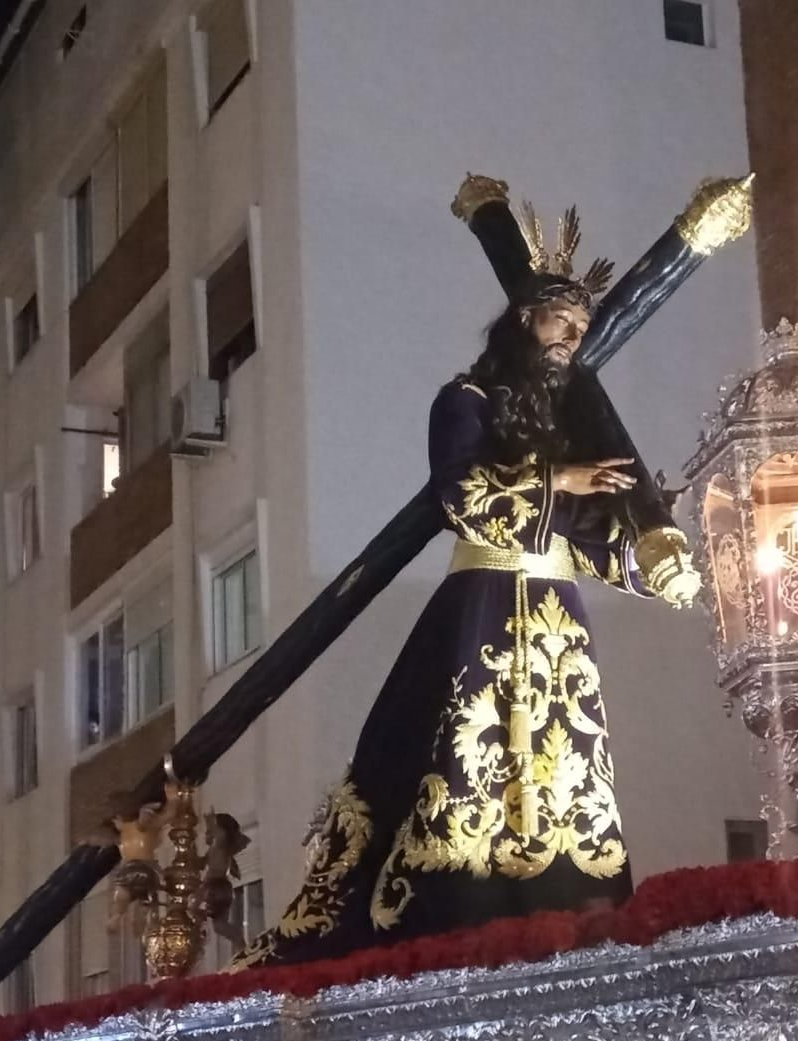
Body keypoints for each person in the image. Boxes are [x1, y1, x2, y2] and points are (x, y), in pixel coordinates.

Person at [233, 267, 662, 969]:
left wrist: (647, 553)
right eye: (562, 322)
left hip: (559, 622)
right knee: (465, 759)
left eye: (582, 331)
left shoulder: (571, 429)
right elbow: (462, 494)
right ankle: (454, 914)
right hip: (484, 608)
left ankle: (569, 921)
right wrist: (559, 481)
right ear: (525, 319)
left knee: (567, 775)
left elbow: (588, 538)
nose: (572, 338)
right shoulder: (465, 401)